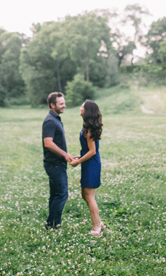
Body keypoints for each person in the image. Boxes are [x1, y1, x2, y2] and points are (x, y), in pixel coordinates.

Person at [69, 99, 106, 237]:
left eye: (82, 107)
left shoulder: (89, 130)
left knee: (89, 196)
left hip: (91, 164)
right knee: (85, 195)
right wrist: (79, 157)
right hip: (89, 162)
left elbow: (92, 151)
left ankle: (97, 227)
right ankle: (99, 223)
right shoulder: (87, 127)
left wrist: (78, 162)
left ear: (87, 110)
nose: (80, 108)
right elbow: (88, 150)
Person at [42, 92, 75, 229]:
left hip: (56, 163)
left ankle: (53, 223)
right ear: (52, 105)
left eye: (64, 103)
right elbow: (48, 143)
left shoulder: (55, 119)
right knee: (62, 194)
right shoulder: (50, 121)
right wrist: (65, 155)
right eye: (61, 104)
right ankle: (52, 224)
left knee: (55, 194)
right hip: (54, 164)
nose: (64, 106)